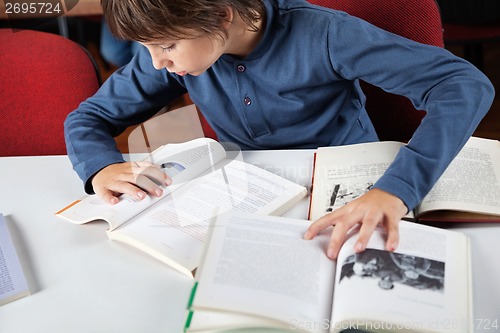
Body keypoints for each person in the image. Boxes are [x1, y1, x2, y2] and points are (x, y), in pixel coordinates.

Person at [64, 0, 494, 260]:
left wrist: (397, 188)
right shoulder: (177, 48)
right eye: (147, 47)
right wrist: (101, 166)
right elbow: (87, 118)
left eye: (166, 46)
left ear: (221, 17)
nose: (156, 62)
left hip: (355, 185)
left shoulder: (324, 33)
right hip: (253, 193)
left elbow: (463, 84)